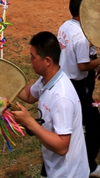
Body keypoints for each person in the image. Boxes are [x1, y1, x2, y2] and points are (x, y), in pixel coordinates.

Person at [10, 31, 90, 178]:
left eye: (33, 57)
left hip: (68, 173)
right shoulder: (46, 79)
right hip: (55, 168)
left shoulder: (62, 98)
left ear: (47, 61)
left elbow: (62, 147)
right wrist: (5, 84)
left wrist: (29, 123)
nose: (30, 60)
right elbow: (29, 95)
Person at [57, 0, 100, 177]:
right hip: (77, 86)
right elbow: (82, 66)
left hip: (63, 80)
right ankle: (89, 165)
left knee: (75, 123)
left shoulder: (65, 26)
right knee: (96, 124)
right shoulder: (80, 36)